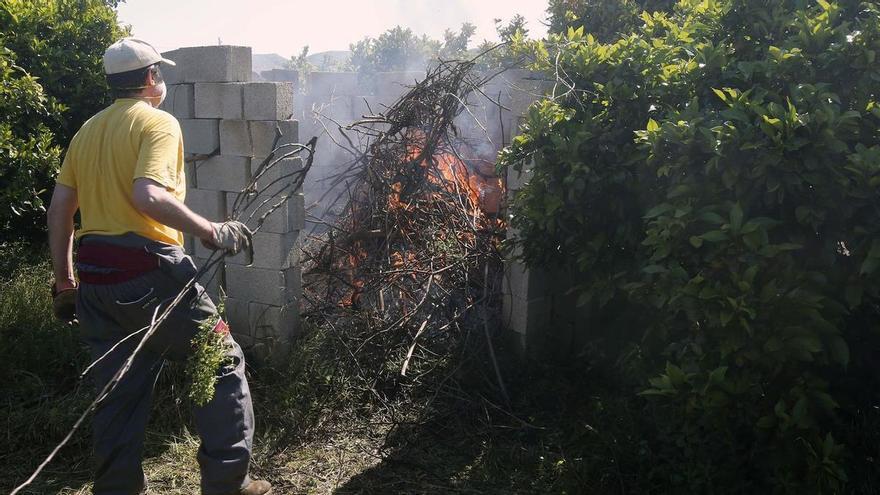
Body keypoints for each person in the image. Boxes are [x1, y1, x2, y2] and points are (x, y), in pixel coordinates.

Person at [46, 38, 272, 495]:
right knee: (222, 364)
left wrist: (66, 284)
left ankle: (116, 489)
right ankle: (229, 482)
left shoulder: (85, 131)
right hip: (150, 273)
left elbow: (59, 213)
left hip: (95, 283)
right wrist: (211, 230)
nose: (161, 81)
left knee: (118, 394)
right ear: (151, 78)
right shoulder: (158, 123)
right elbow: (147, 195)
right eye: (160, 74)